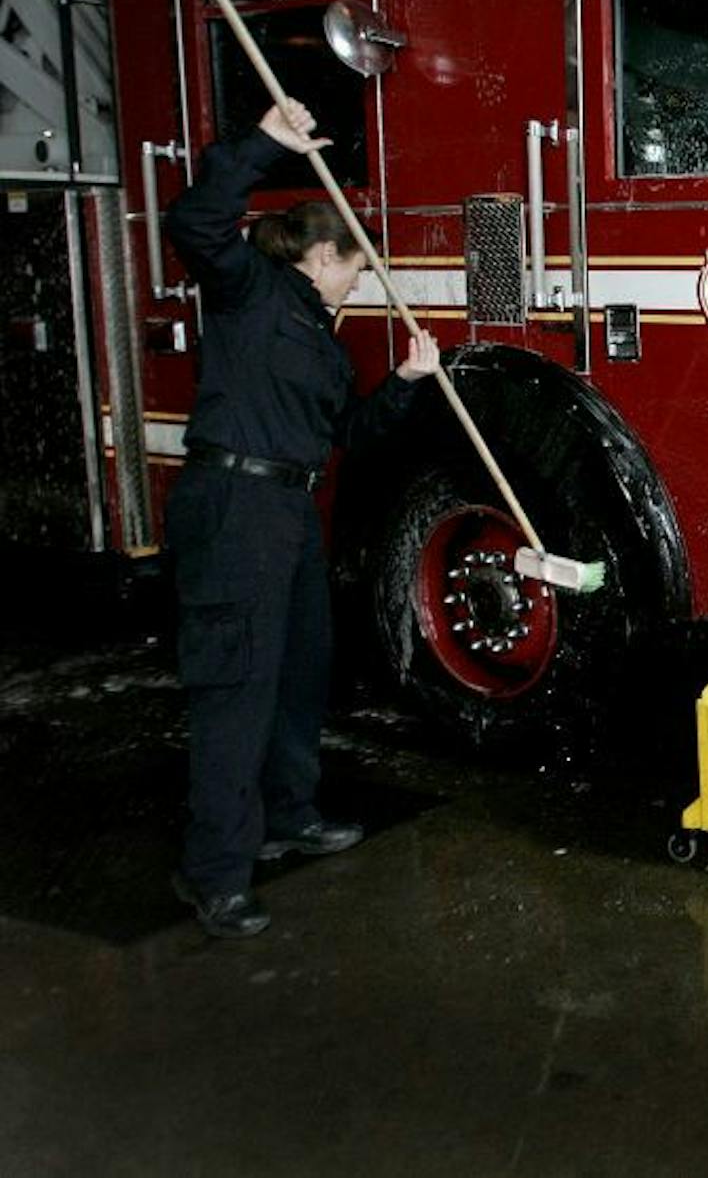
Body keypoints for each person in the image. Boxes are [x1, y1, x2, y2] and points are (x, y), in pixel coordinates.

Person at [165, 99, 440, 938]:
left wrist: (403, 382)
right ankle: (213, 873)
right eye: (355, 265)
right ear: (322, 255)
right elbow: (194, 219)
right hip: (233, 509)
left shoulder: (320, 333)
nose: (360, 278)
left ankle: (290, 815)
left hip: (287, 511)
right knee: (237, 689)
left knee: (297, 677)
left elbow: (345, 433)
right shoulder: (248, 287)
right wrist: (260, 146)